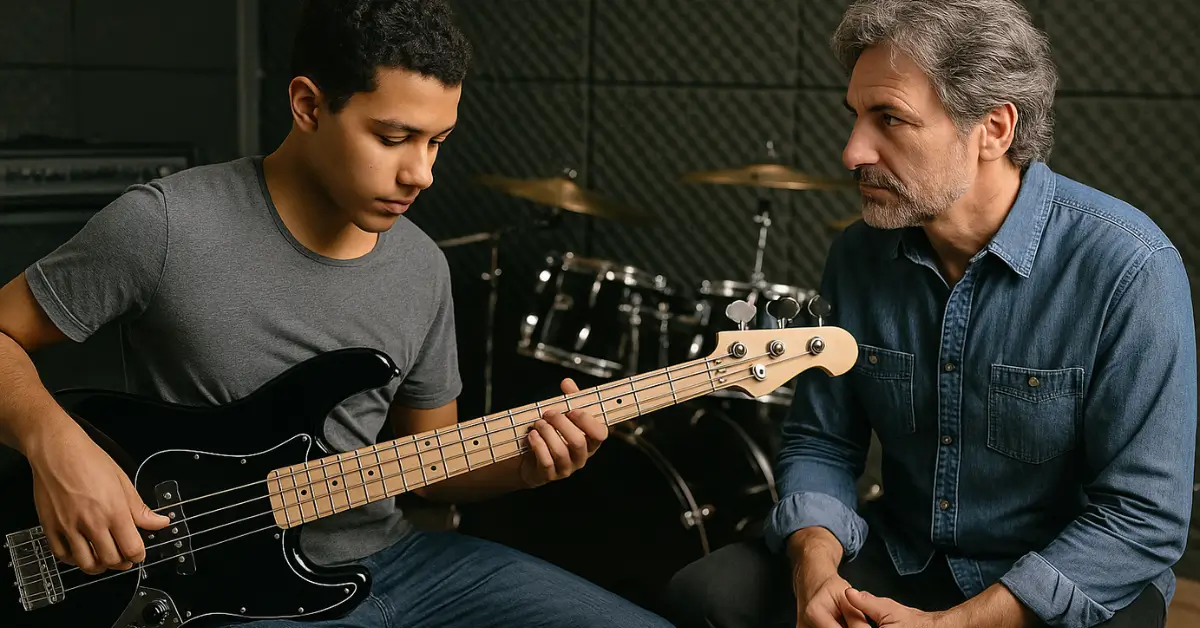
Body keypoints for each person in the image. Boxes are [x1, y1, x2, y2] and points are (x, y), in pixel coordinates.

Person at [0, 1, 672, 626]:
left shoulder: (421, 268)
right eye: (393, 137)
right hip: (220, 586)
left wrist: (526, 465)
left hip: (400, 562)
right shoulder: (168, 225)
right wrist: (55, 446)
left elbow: (430, 469)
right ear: (308, 106)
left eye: (437, 141)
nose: (422, 174)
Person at [665, 1, 1196, 627]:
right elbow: (822, 440)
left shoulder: (1130, 266)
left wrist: (955, 626)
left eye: (889, 118)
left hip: (1063, 574)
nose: (852, 151)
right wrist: (817, 574)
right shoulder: (858, 254)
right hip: (907, 554)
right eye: (856, 117)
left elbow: (1142, 518)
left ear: (994, 129)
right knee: (701, 596)